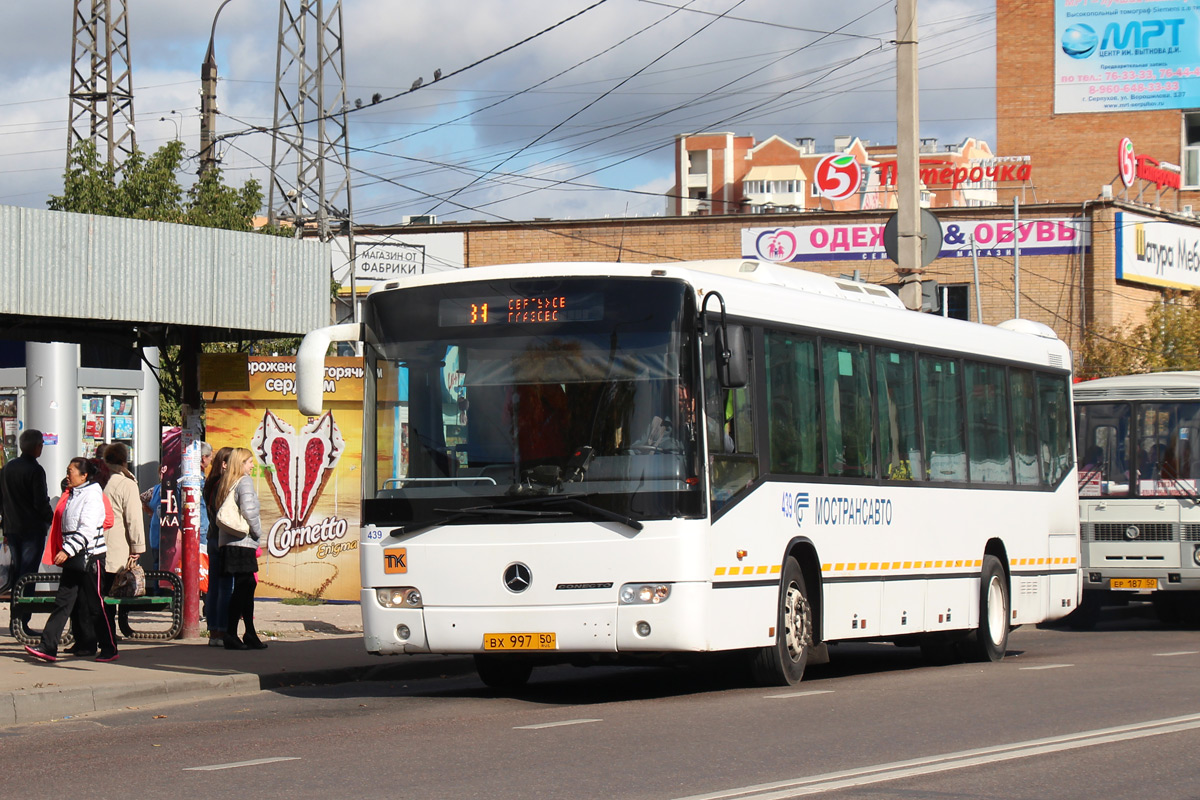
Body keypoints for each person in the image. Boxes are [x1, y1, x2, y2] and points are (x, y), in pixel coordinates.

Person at [24, 457, 119, 663]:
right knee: (63, 602)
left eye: (71, 471)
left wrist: (67, 550)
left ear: (84, 475)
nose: (68, 475)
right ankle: (48, 646)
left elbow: (86, 529)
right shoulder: (75, 494)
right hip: (74, 557)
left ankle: (109, 647)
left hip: (90, 558)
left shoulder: (92, 496)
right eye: (67, 471)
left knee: (95, 604)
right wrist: (67, 550)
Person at [215, 447, 266, 650]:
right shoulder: (244, 481)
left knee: (244, 587)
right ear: (241, 464)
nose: (252, 465)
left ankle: (248, 633)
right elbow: (249, 510)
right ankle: (233, 633)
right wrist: (257, 532)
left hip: (229, 542)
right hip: (243, 542)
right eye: (249, 462)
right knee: (244, 588)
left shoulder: (227, 482)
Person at [0, 430, 54, 605]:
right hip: (32, 530)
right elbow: (40, 502)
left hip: (12, 527)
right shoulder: (35, 470)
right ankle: (23, 617)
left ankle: (16, 615)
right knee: (29, 574)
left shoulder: (7, 467)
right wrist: (51, 519)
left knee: (18, 572)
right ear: (37, 447)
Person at [101, 443, 145, 632]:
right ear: (125, 460)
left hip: (95, 545)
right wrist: (137, 547)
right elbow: (133, 518)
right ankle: (109, 633)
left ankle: (101, 632)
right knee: (112, 591)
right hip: (116, 545)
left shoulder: (100, 479)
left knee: (99, 591)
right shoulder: (126, 483)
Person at [202, 446, 233, 647]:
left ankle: (214, 631)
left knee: (214, 587)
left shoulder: (210, 483)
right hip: (223, 539)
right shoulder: (223, 485)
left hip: (212, 537)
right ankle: (222, 630)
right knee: (224, 587)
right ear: (224, 464)